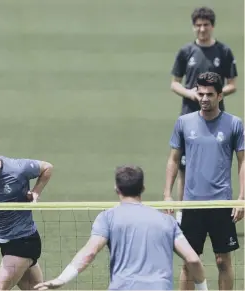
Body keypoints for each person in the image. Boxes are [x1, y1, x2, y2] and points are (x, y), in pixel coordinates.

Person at [35, 165, 208, 290]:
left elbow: (89, 253)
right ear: (143, 189)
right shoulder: (167, 221)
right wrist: (202, 289)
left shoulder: (108, 218)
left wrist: (61, 279)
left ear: (116, 189)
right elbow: (193, 260)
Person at [164, 71, 244, 290]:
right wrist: (168, 196)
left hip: (222, 205)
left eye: (210, 94)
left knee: (223, 261)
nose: (204, 99)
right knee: (189, 262)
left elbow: (242, 161)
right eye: (200, 94)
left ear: (220, 96)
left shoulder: (234, 124)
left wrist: (241, 198)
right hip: (192, 205)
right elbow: (173, 160)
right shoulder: (183, 123)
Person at [169, 6, 238, 220]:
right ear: (193, 27)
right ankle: (183, 211)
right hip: (191, 113)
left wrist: (213, 94)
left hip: (217, 115)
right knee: (184, 165)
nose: (201, 29)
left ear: (212, 26)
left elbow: (233, 84)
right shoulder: (185, 52)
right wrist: (192, 94)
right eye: (198, 25)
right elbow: (174, 84)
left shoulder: (223, 52)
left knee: (218, 161)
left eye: (205, 25)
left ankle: (220, 208)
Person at [0, 125, 53, 290]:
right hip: (4, 241)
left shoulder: (17, 169)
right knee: (35, 288)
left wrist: (36, 192)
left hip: (24, 240)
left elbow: (47, 167)